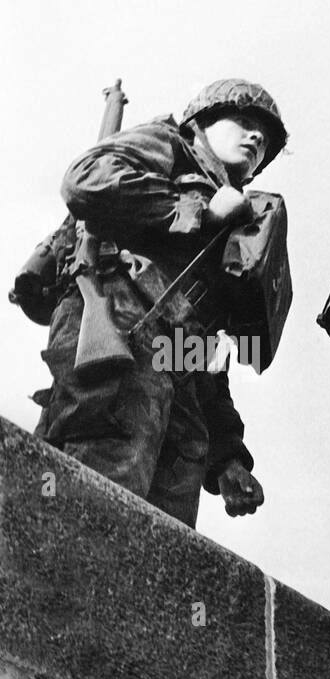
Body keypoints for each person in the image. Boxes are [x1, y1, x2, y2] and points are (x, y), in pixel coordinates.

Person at [33, 78, 288, 527]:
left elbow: (209, 352)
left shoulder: (236, 220)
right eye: (245, 122)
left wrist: (227, 456)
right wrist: (197, 211)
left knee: (160, 546)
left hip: (178, 371)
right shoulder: (171, 144)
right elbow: (85, 179)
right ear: (203, 121)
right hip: (120, 319)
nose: (256, 138)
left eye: (264, 139)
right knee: (93, 506)